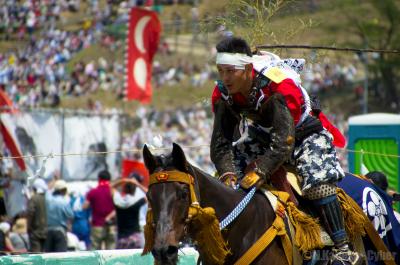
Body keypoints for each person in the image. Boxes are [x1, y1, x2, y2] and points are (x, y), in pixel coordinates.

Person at [210, 36, 361, 265]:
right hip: (263, 136)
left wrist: (260, 171)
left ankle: (343, 248)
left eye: (231, 71)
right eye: (221, 71)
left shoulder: (279, 86)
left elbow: (284, 141)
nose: (225, 78)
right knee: (224, 184)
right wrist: (228, 174)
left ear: (248, 69)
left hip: (302, 134)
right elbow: (221, 144)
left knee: (317, 181)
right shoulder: (222, 93)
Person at [111, 173, 148, 249]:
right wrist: (137, 184)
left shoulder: (118, 201)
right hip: (135, 237)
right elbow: (149, 194)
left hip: (121, 238)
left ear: (124, 189)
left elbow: (110, 186)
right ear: (134, 191)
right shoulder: (137, 201)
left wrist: (124, 180)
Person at [83, 170, 116, 250]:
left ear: (99, 179)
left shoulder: (92, 192)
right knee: (111, 252)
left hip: (97, 225)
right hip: (110, 226)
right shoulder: (113, 192)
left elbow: (84, 207)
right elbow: (117, 209)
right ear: (109, 179)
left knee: (95, 251)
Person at [44, 179, 74, 252]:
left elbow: (47, 189)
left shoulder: (48, 199)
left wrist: (54, 180)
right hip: (60, 231)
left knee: (48, 257)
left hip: (48, 231)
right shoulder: (64, 202)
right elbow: (71, 216)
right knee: (60, 257)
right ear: (63, 190)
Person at [27, 178, 47, 252]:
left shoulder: (34, 198)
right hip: (46, 232)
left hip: (35, 232)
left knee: (36, 256)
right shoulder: (47, 198)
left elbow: (30, 213)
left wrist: (28, 226)